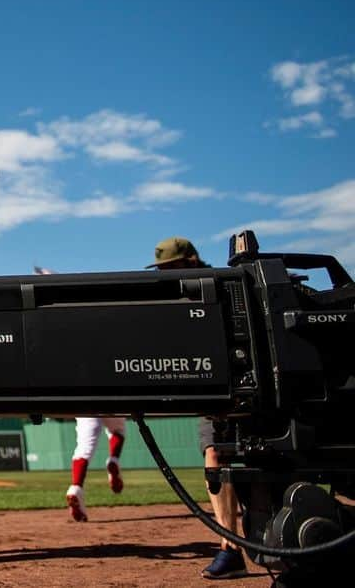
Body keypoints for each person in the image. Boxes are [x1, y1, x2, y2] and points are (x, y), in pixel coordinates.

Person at [147, 236, 246, 580]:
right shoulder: (172, 300)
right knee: (214, 455)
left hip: (250, 391)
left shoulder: (222, 286)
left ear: (190, 261)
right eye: (161, 270)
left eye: (170, 268)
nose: (165, 275)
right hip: (214, 398)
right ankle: (229, 548)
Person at [64, 417, 127, 522]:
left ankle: (76, 487)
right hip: (111, 401)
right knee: (118, 430)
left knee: (84, 449)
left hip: (84, 403)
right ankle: (114, 459)